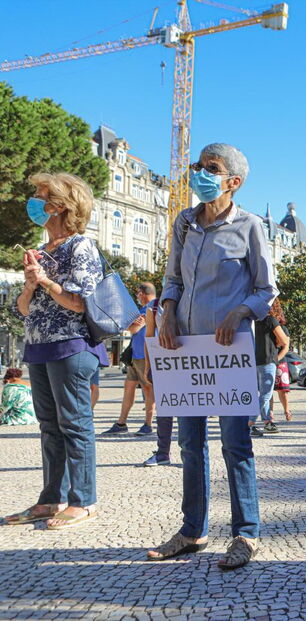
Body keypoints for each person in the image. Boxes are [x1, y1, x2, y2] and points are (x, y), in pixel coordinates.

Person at [146, 143, 277, 570]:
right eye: (199, 165)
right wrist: (167, 314)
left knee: (236, 444)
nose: (200, 173)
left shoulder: (250, 226)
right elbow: (172, 279)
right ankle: (192, 530)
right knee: (190, 443)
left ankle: (246, 533)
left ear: (233, 181)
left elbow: (266, 289)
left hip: (228, 354)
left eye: (211, 167)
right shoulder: (184, 223)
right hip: (185, 351)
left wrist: (240, 312)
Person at [2, 172, 109, 529]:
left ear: (59, 205)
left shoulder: (80, 246)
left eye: (40, 194)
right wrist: (30, 285)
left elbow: (79, 302)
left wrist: (46, 281)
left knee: (75, 424)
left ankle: (84, 500)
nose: (33, 200)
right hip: (38, 347)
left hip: (70, 346)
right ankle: (51, 499)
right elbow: (22, 309)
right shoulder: (41, 250)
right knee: (49, 426)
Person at [101, 282, 158, 436]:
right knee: (129, 387)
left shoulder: (151, 308)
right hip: (136, 355)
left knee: (148, 388)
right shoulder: (144, 309)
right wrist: (128, 325)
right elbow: (131, 327)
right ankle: (121, 423)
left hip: (146, 355)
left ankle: (148, 424)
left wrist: (127, 325)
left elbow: (134, 328)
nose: (137, 297)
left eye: (138, 293)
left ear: (142, 293)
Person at [253, 298, 290, 437]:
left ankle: (267, 421)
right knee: (266, 395)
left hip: (253, 362)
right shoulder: (270, 320)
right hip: (268, 360)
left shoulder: (251, 321)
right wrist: (276, 353)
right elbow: (284, 341)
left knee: (257, 394)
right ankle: (249, 422)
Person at [142, 299, 172, 467]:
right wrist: (148, 365)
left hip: (188, 362)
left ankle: (193, 454)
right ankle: (163, 452)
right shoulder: (153, 307)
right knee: (164, 409)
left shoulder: (190, 299)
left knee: (191, 411)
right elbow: (149, 336)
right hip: (164, 362)